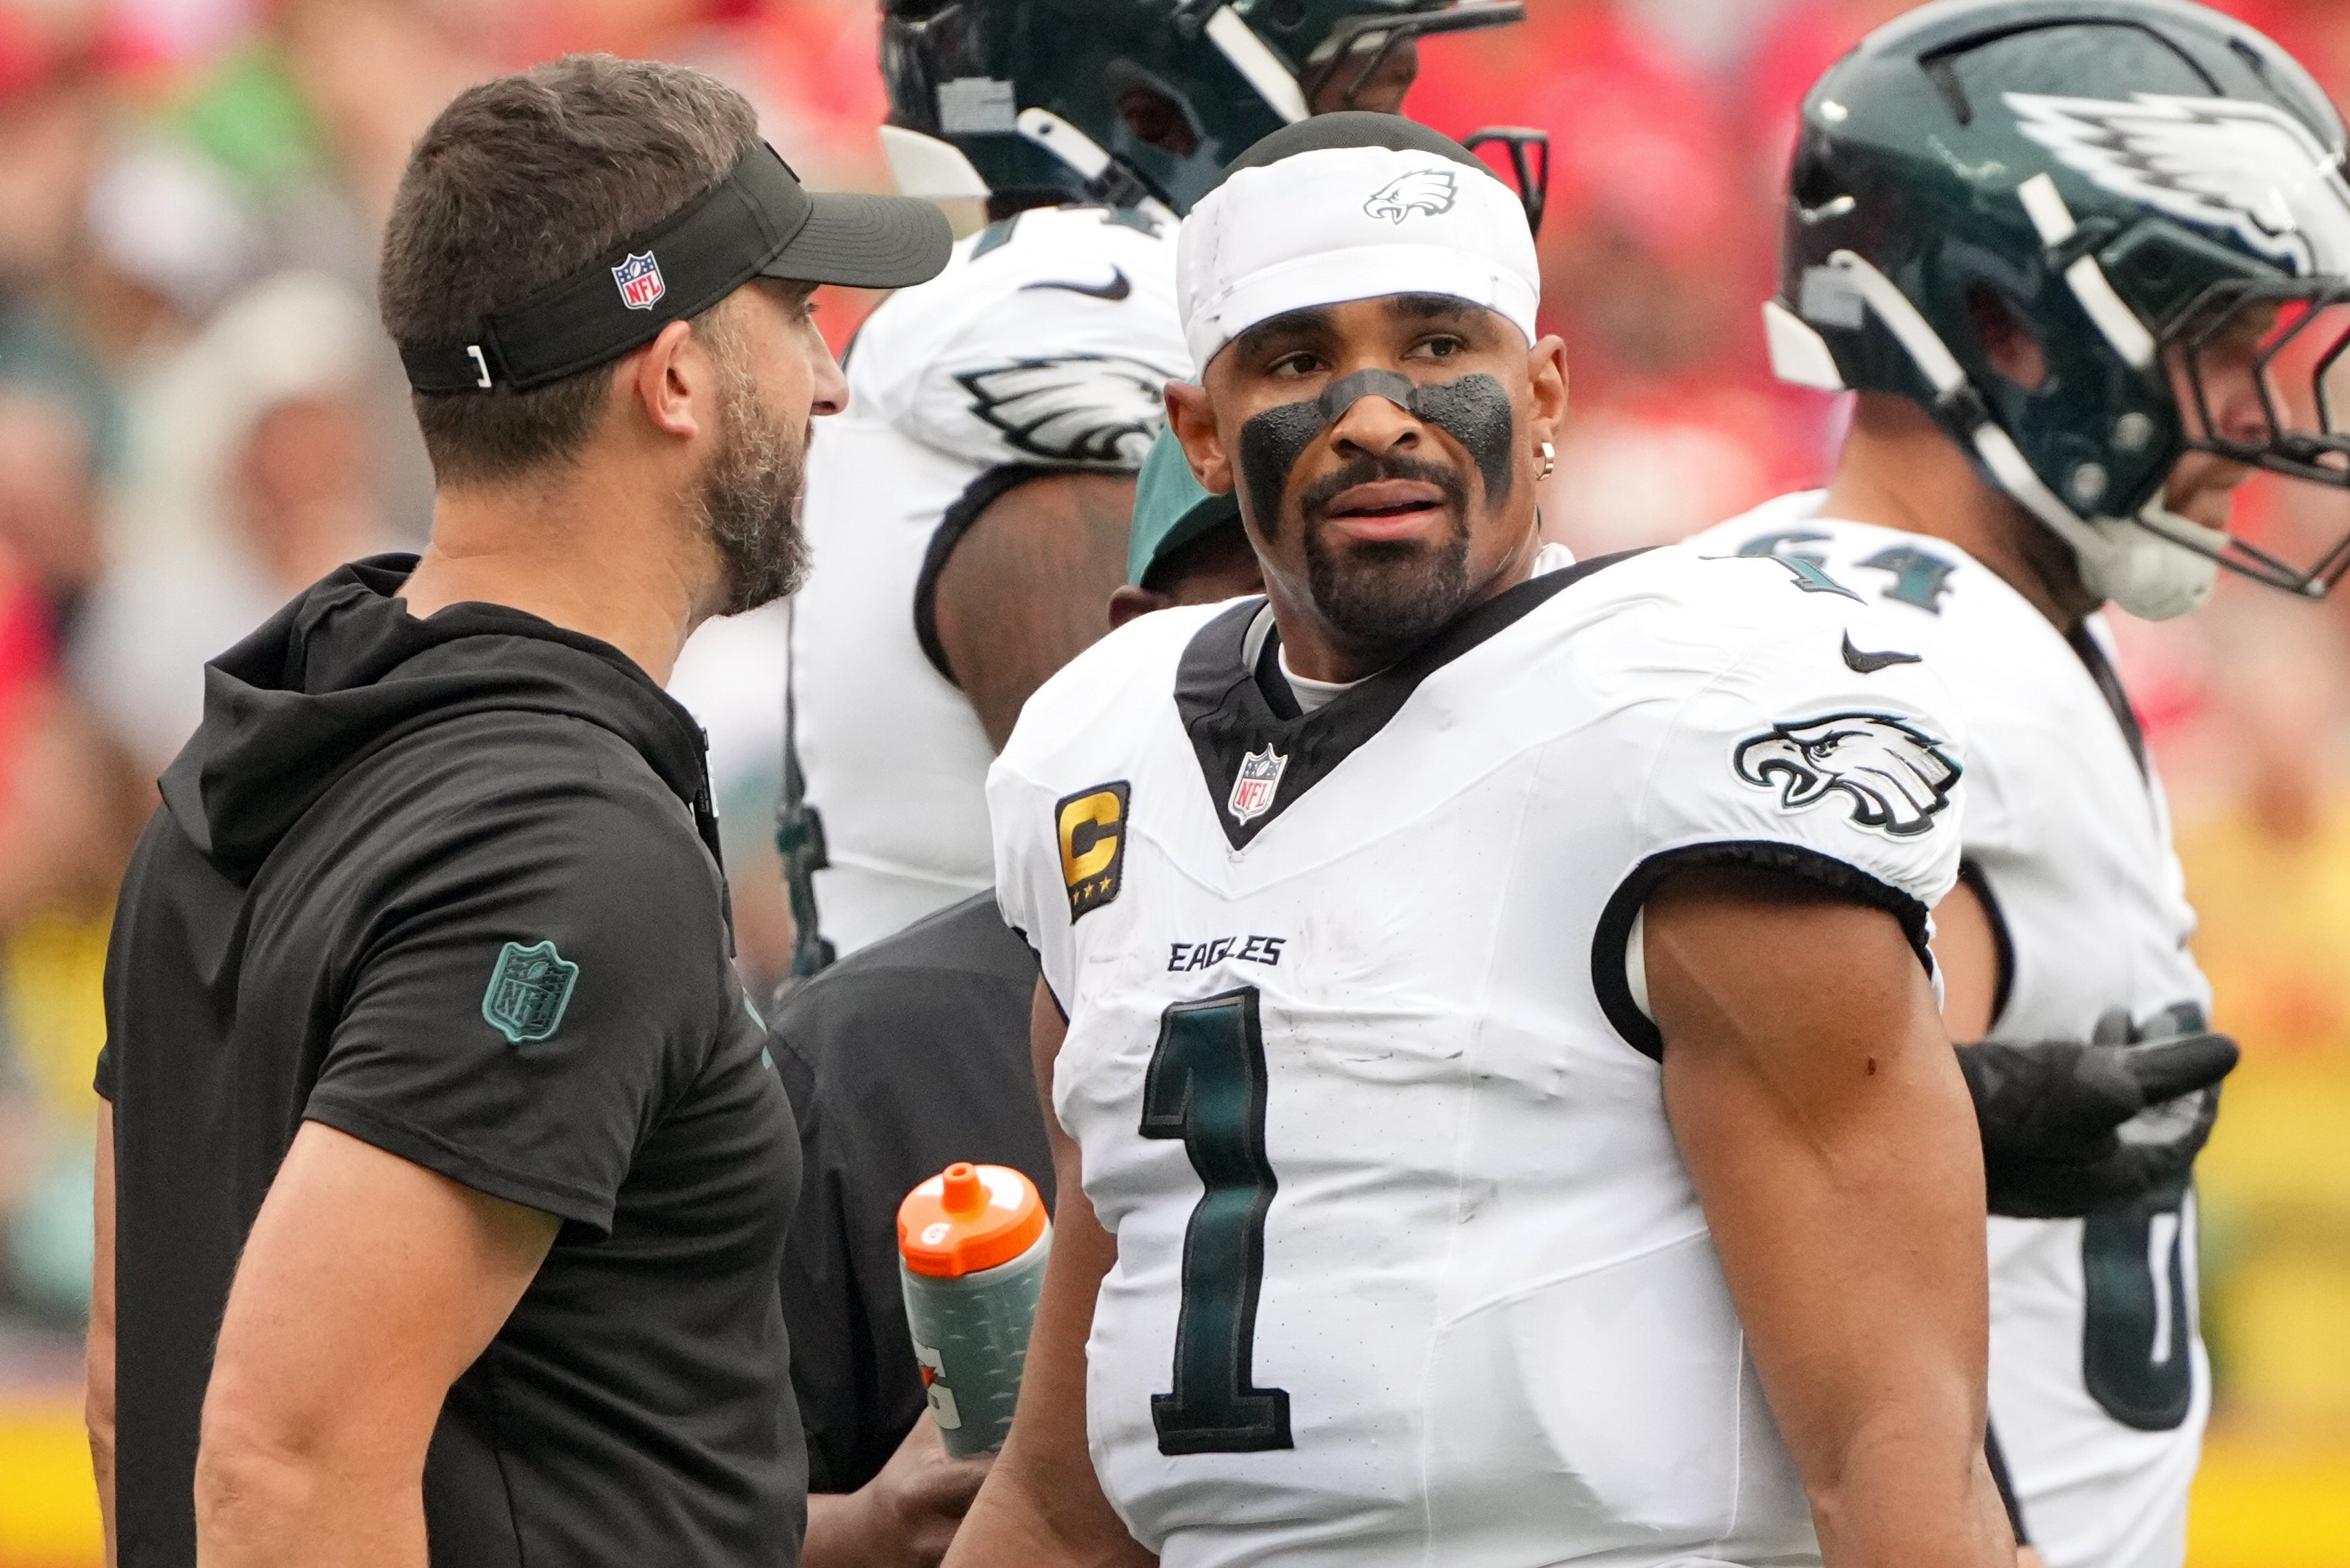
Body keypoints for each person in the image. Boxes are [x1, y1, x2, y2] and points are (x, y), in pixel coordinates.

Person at [954, 112, 2013, 1568]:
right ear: (1201, 433)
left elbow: (1896, 1458)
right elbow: (1068, 1494)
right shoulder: (1102, 753)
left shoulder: (1683, 722)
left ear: (1545, 388)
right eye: (1295, 359)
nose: (1377, 411)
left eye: (1441, 345)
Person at [85, 54, 949, 1568]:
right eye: (796, 317)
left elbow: (138, 1414)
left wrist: (850, 1531)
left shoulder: (253, 760)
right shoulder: (565, 848)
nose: (828, 378)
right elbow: (281, 1467)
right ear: (675, 379)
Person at [1689, 5, 2349, 1564]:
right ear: (2004, 322)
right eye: (2214, 337)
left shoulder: (1897, 618)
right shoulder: (1913, 678)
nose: (2260, 416)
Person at [781, 0, 1530, 971]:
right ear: (1151, 104)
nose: (1402, 115)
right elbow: (1171, 852)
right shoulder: (1070, 299)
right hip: (985, 1082)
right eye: (1354, 70)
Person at [778, 434, 1261, 1568]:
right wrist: (863, 1528)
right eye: (1262, 606)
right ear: (1139, 636)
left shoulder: (1570, 972)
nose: (1323, 664)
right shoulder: (868, 1047)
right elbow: (646, 1517)